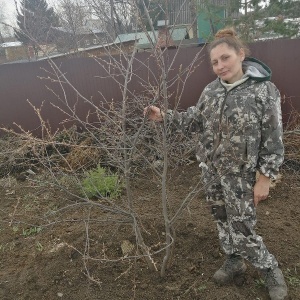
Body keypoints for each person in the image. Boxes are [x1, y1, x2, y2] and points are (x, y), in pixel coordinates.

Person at [144, 27, 287, 300]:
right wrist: (164, 116)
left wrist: (265, 178)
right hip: (212, 172)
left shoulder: (264, 91)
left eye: (225, 58)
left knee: (243, 227)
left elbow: (273, 139)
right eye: (214, 62)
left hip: (242, 176)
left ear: (240, 54)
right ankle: (234, 261)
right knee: (221, 219)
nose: (220, 66)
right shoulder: (211, 91)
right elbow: (195, 120)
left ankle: (270, 270)